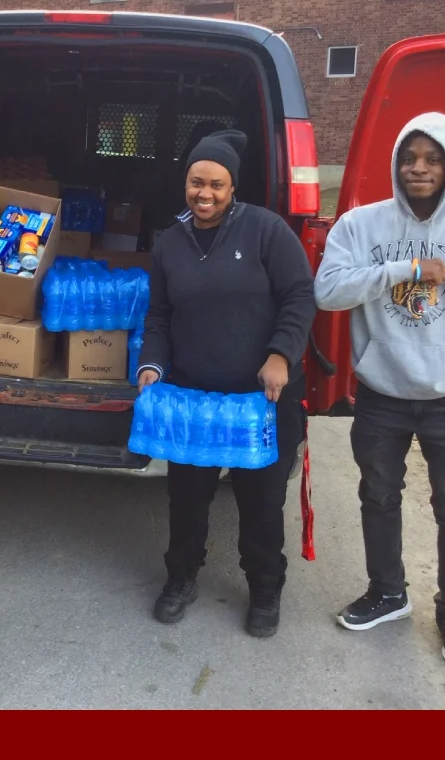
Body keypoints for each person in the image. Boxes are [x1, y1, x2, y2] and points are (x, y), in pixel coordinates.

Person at [314, 111, 445, 669]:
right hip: (382, 394)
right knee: (378, 495)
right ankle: (388, 592)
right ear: (395, 163)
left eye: (432, 159)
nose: (418, 168)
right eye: (410, 158)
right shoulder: (359, 226)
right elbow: (327, 291)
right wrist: (402, 269)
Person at [136, 130, 317, 637]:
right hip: (196, 398)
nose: (205, 194)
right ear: (185, 183)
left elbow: (300, 296)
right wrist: (152, 364)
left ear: (233, 187)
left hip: (262, 398)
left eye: (216, 184)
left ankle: (264, 588)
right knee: (187, 497)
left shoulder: (266, 231)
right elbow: (159, 316)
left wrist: (281, 355)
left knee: (261, 501)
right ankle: (181, 578)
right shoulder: (170, 243)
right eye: (197, 182)